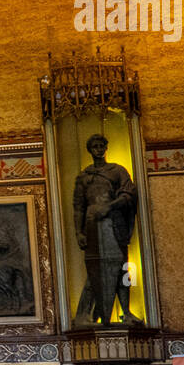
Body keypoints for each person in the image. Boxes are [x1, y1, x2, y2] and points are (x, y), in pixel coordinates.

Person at [72, 134, 141, 325]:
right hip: (93, 226)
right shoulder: (84, 177)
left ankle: (126, 312)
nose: (98, 149)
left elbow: (129, 194)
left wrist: (109, 207)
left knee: (123, 267)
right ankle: (86, 315)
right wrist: (79, 232)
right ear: (89, 150)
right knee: (95, 269)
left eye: (101, 146)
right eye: (94, 146)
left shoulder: (117, 171)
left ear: (106, 147)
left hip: (114, 222)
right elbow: (78, 207)